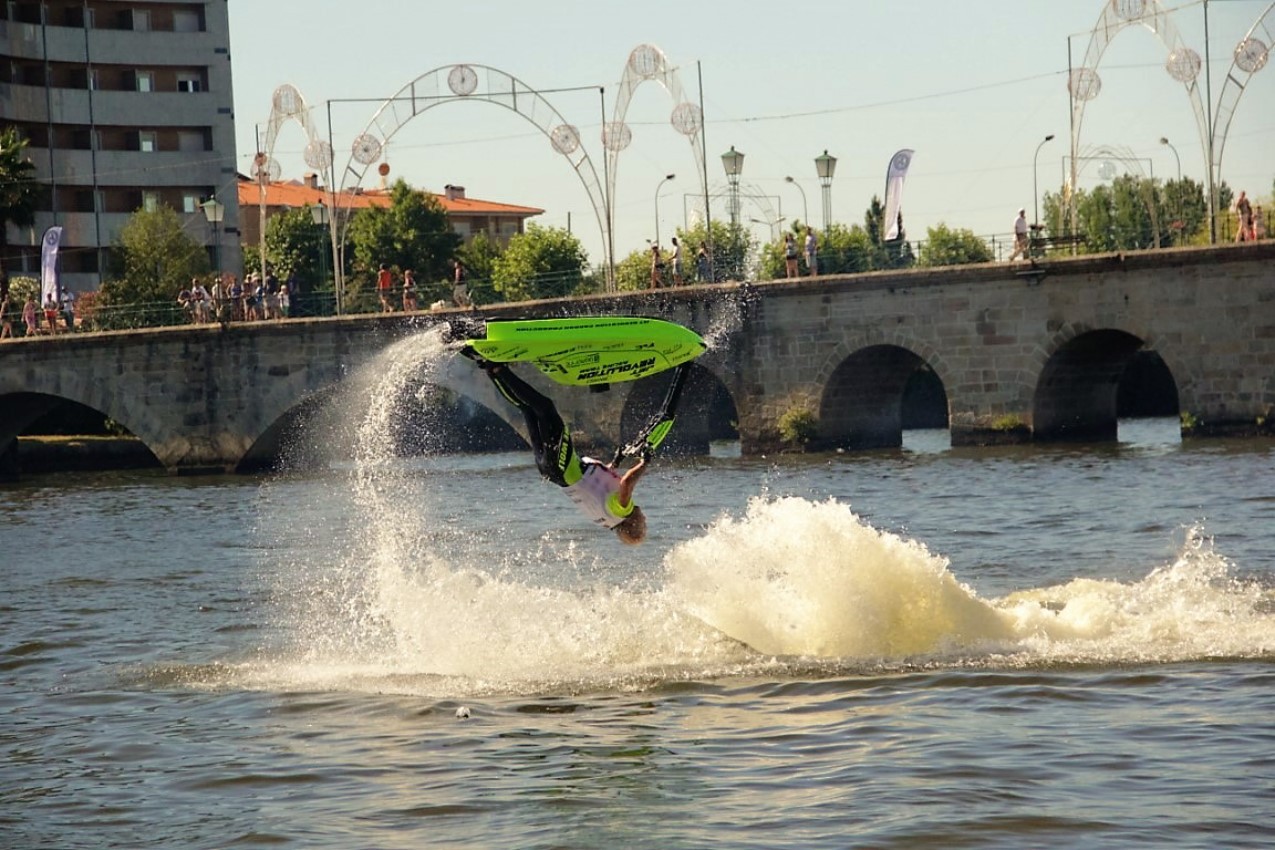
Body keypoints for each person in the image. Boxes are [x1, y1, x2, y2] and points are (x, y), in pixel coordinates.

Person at [462, 350, 649, 545]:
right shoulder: (608, 518)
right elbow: (597, 483)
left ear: (634, 523)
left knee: (545, 408)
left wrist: (645, 462)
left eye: (643, 522)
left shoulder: (623, 511)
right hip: (551, 471)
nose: (645, 518)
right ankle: (490, 368)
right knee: (528, 409)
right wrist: (617, 461)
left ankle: (498, 368)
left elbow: (627, 482)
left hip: (564, 466)